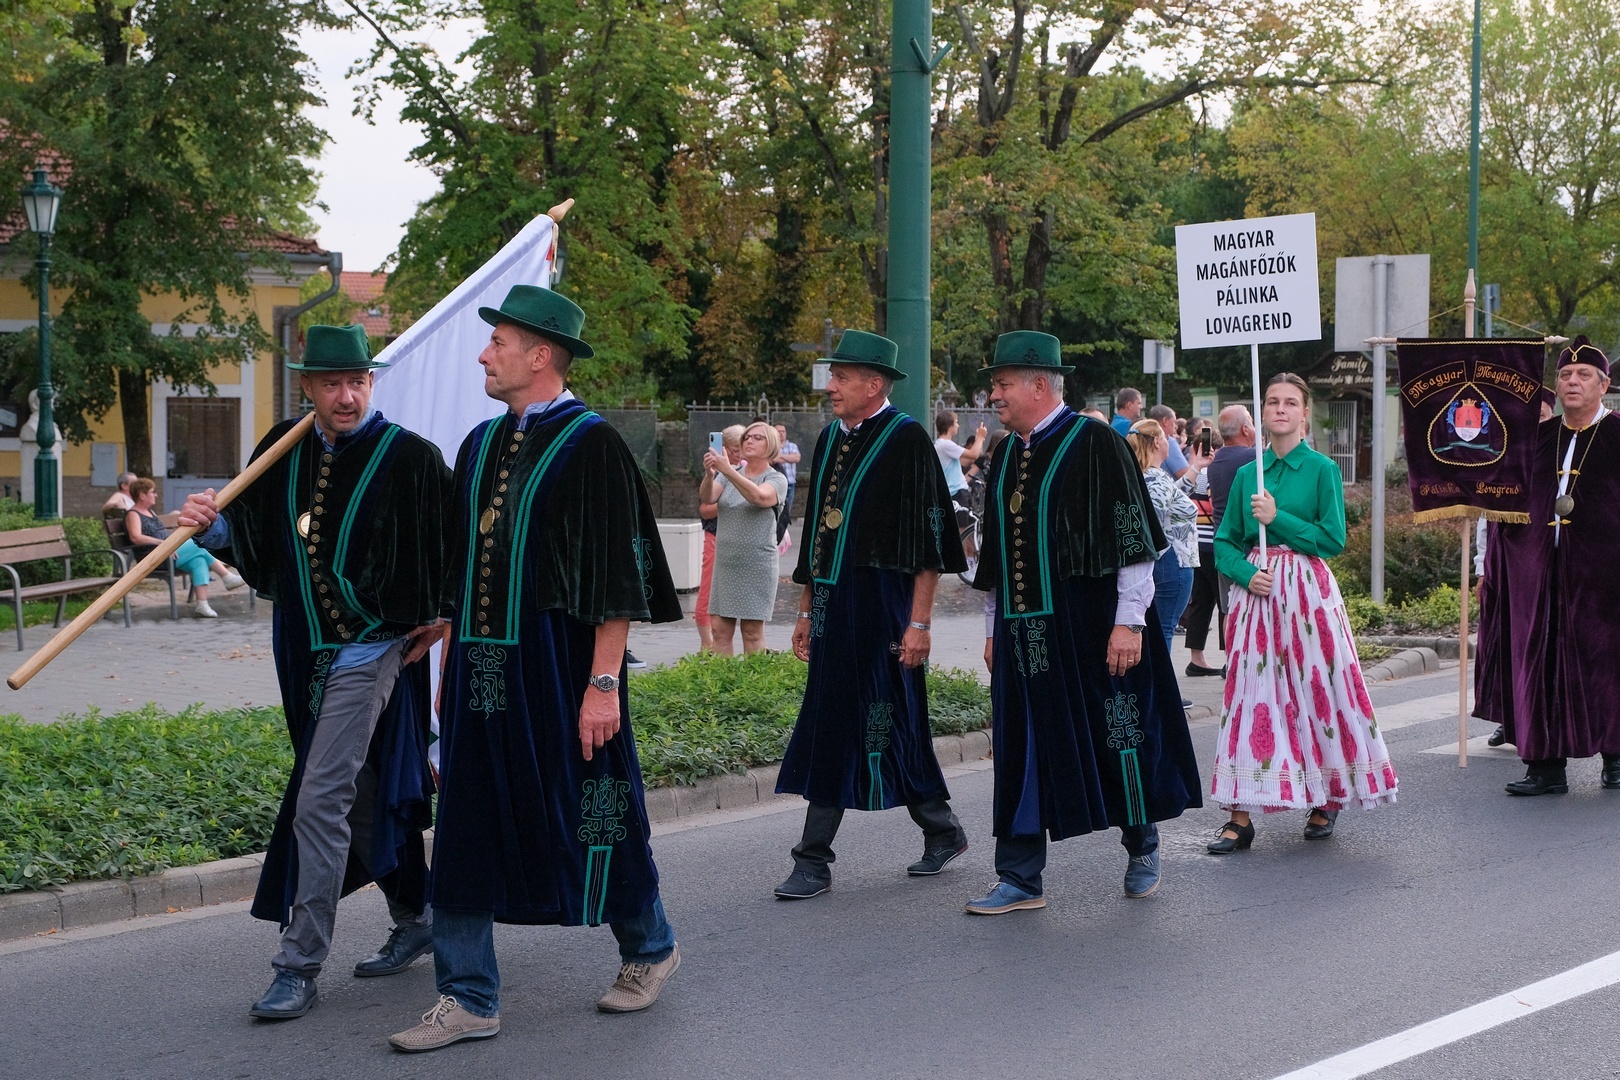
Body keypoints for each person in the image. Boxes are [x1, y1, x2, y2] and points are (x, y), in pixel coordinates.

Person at [390, 286, 683, 1053]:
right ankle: (467, 996)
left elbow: (618, 581)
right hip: (481, 672)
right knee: (465, 825)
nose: (484, 356)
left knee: (595, 812)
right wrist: (443, 629)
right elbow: (466, 558)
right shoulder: (480, 444)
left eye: (499, 344)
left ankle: (650, 946)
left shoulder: (593, 447)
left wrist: (604, 685)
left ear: (541, 355)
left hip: (564, 668)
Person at [179, 323, 452, 1021]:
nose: (347, 396)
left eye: (358, 381)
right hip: (301, 650)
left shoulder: (411, 458)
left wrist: (445, 614)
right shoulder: (282, 447)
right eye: (332, 383)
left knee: (320, 798)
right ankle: (417, 915)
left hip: (374, 649)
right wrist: (209, 524)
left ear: (372, 382)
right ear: (307, 387)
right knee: (363, 792)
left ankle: (297, 964)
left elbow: (457, 549)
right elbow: (256, 541)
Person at [967, 332, 1202, 914]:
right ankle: (1020, 876)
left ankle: (1142, 842)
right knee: (1020, 747)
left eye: (1002, 384)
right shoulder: (1005, 454)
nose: (994, 395)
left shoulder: (1095, 442)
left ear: (1038, 385)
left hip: (1094, 626)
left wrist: (1129, 623)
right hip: (1024, 632)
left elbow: (1133, 537)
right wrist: (994, 628)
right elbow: (998, 555)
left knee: (1117, 735)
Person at [774, 330, 970, 900]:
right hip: (833, 604)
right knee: (833, 716)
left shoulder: (907, 440)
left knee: (891, 715)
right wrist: (806, 609)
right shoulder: (830, 437)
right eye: (832, 375)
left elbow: (932, 543)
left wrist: (920, 623)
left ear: (874, 384)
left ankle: (816, 857)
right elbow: (818, 530)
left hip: (886, 604)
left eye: (841, 377)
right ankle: (935, 830)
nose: (830, 386)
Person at [1207, 373, 1396, 853]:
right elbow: (1225, 542)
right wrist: (1245, 574)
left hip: (1308, 595)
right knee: (1250, 696)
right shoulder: (1248, 473)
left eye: (1290, 402)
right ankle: (1239, 815)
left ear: (1305, 413)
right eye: (1272, 401)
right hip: (1257, 594)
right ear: (1262, 413)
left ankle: (1326, 798)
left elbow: (1332, 539)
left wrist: (1278, 519)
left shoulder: (1321, 470)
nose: (1280, 409)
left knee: (1318, 690)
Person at [1499, 339, 1620, 795]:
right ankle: (1545, 767)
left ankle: (1616, 758)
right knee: (1542, 666)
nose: (1572, 382)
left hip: (1604, 578)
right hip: (1541, 572)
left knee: (1607, 666)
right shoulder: (1537, 439)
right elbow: (1506, 499)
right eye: (1565, 375)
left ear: (1603, 385)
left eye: (1583, 375)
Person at [1476, 388, 1556, 749]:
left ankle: (1542, 721)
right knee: (1503, 644)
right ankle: (1507, 720)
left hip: (1540, 565)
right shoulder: (1502, 457)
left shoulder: (1558, 459)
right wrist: (1482, 568)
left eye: (1541, 417)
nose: (1534, 424)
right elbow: (1485, 519)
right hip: (1502, 566)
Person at [702, 420, 786, 655]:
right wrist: (710, 474)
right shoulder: (727, 475)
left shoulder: (775, 479)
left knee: (751, 632)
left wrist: (727, 470)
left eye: (758, 438)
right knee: (719, 630)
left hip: (757, 565)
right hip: (726, 564)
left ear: (771, 444)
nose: (749, 441)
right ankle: (723, 679)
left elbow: (759, 497)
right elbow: (708, 498)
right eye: (747, 437)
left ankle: (754, 679)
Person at [1126, 419, 1209, 656]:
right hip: (1172, 560)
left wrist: (1196, 467)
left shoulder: (1147, 475)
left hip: (1166, 560)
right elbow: (1152, 521)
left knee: (1159, 628)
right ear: (1155, 442)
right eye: (1165, 437)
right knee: (1164, 629)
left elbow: (1171, 498)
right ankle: (1163, 680)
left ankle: (1156, 678)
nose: (1168, 442)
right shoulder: (1155, 478)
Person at [125, 478, 243, 617]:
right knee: (197, 546)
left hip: (170, 552)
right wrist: (163, 544)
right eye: (152, 492)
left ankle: (202, 604)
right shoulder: (133, 514)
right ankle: (226, 576)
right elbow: (136, 537)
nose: (156, 495)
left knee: (198, 561)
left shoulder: (151, 512)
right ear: (142, 495)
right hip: (155, 557)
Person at [1182, 422, 1226, 676]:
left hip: (1195, 545)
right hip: (1212, 544)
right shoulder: (1211, 474)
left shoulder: (1193, 474)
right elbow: (1215, 504)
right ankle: (1228, 657)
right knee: (1223, 602)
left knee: (1200, 602)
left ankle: (1196, 658)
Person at [694, 426, 742, 652]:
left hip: (738, 539)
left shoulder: (747, 470)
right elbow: (705, 509)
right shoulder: (716, 473)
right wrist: (735, 501)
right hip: (716, 536)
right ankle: (707, 643)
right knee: (709, 590)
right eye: (734, 450)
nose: (739, 454)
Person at [935, 410, 990, 510]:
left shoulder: (942, 444)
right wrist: (980, 437)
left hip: (957, 492)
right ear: (949, 426)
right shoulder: (946, 445)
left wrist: (978, 440)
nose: (958, 425)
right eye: (956, 422)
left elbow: (963, 462)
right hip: (956, 493)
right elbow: (974, 454)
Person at [773, 422, 800, 550]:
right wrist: (787, 457)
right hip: (777, 485)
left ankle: (783, 533)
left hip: (790, 483)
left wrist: (780, 456)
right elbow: (772, 459)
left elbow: (796, 458)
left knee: (786, 511)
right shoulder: (772, 446)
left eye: (783, 431)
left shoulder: (792, 446)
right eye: (778, 431)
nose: (781, 434)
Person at [1147, 404, 1191, 479]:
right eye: (1174, 422)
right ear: (1165, 421)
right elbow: (1186, 476)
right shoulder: (1168, 442)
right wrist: (1193, 457)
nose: (1176, 426)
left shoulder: (1144, 439)